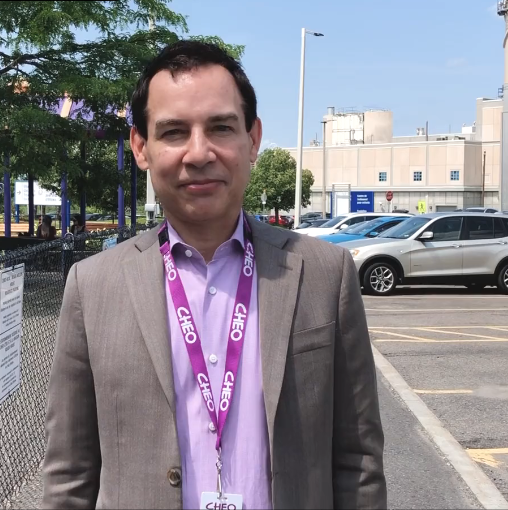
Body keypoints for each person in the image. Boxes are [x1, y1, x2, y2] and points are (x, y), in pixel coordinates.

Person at [42, 40, 386, 509]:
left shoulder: (326, 275)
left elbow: (358, 461)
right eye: (174, 132)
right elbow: (69, 475)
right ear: (141, 147)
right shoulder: (93, 287)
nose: (199, 152)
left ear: (253, 139)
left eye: (221, 127)